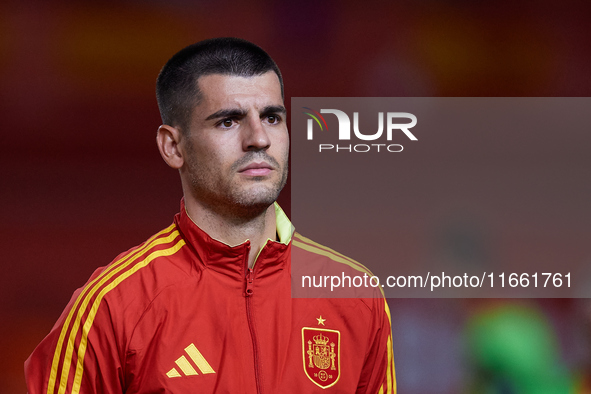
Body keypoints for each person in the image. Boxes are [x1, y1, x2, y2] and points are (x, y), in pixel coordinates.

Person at [25, 37, 395, 393]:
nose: (258, 138)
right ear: (173, 146)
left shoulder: (355, 294)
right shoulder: (113, 305)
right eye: (228, 121)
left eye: (272, 117)